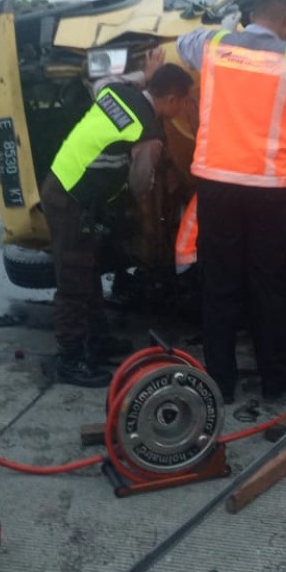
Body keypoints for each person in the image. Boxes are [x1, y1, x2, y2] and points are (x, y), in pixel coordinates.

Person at [176, 0, 286, 402]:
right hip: (270, 191)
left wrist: (224, 27)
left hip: (216, 185)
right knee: (271, 288)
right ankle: (274, 382)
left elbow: (182, 43)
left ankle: (221, 384)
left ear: (250, 16)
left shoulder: (214, 46)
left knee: (220, 287)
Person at [41, 61, 194, 387]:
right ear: (171, 99)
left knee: (88, 267)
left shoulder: (115, 91)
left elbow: (100, 81)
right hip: (72, 200)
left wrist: (143, 75)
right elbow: (140, 185)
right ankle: (68, 359)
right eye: (185, 103)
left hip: (63, 184)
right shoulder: (147, 132)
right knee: (74, 276)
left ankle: (97, 339)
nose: (185, 110)